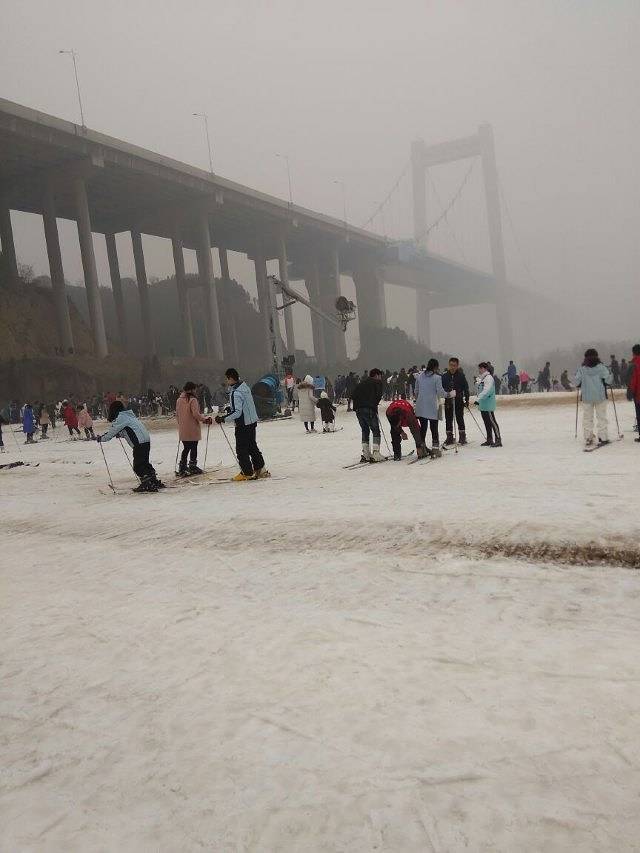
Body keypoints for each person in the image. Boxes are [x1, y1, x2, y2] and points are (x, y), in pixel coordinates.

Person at [97, 401, 163, 492]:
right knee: (144, 463)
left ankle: (147, 484)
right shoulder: (129, 415)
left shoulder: (121, 418)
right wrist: (120, 434)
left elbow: (112, 431)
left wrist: (102, 438)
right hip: (145, 440)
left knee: (138, 466)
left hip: (139, 442)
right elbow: (129, 429)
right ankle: (153, 480)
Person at [215, 368, 268, 481]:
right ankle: (260, 468)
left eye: (227, 378)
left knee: (241, 449)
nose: (227, 381)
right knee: (252, 446)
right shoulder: (245, 387)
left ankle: (247, 472)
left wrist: (223, 418)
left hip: (243, 424)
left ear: (231, 378)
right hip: (251, 422)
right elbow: (244, 405)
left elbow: (237, 412)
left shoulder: (236, 392)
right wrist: (232, 408)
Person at [574, 348, 611, 448]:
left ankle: (588, 437)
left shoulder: (582, 369)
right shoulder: (602, 367)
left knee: (587, 418)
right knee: (601, 417)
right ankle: (603, 437)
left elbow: (576, 382)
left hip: (586, 397)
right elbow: (608, 380)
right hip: (600, 396)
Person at [176, 381, 213, 476]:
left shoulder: (179, 400)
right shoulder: (192, 400)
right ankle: (192, 465)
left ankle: (182, 467)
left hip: (183, 428)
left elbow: (177, 415)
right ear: (192, 389)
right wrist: (205, 419)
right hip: (192, 428)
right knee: (193, 447)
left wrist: (181, 424)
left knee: (186, 448)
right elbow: (196, 414)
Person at [351, 368, 385, 462]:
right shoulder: (377, 383)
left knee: (365, 430)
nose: (380, 378)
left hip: (358, 409)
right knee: (375, 430)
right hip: (369, 409)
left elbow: (353, 395)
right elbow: (378, 396)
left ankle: (366, 453)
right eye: (380, 376)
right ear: (377, 375)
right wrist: (374, 405)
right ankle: (376, 453)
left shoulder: (362, 383)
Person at [414, 359, 445, 455]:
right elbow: (440, 393)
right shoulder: (437, 378)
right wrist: (449, 394)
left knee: (423, 427)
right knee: (434, 428)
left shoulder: (419, 376)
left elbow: (416, 391)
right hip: (432, 406)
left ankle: (421, 448)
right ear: (435, 367)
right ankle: (435, 449)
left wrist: (418, 400)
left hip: (421, 405)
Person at [441, 357, 470, 446]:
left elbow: (466, 388)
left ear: (457, 366)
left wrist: (467, 399)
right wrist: (447, 390)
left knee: (459, 418)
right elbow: (441, 388)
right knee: (448, 419)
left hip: (458, 400)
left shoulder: (461, 375)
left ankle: (462, 436)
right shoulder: (445, 376)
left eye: (454, 365)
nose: (452, 367)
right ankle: (449, 437)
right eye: (451, 365)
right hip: (448, 400)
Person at [475, 362, 502, 447]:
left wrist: (478, 399)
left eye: (480, 368)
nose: (479, 370)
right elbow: (480, 388)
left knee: (492, 422)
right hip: (483, 405)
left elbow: (486, 390)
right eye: (479, 368)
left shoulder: (488, 378)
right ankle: (489, 439)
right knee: (487, 422)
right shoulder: (483, 378)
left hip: (488, 405)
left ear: (485, 369)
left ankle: (498, 440)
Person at [626, 344, 640, 442]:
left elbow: (630, 379)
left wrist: (630, 391)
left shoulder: (633, 363)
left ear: (634, 352)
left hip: (638, 394)